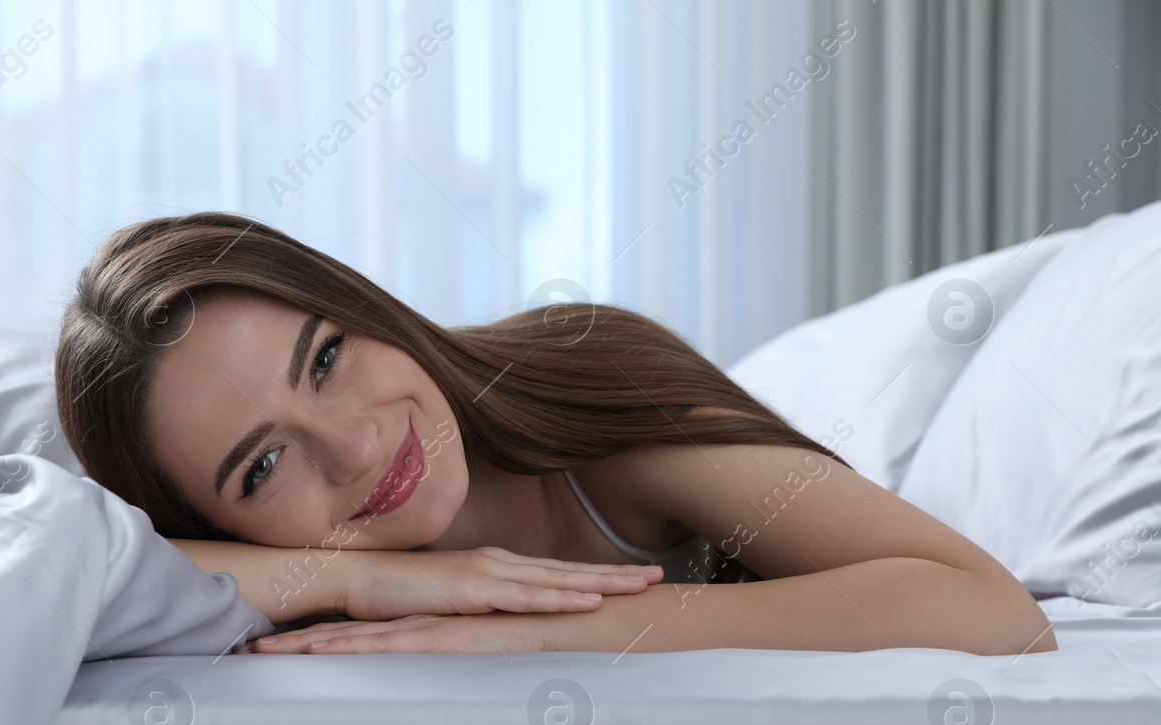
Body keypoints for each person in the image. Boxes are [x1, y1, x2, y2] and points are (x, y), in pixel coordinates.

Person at [53, 212, 1055, 657]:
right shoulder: (283, 568)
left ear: (366, 305)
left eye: (323, 359)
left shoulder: (594, 393)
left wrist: (556, 627)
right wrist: (368, 580)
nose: (356, 449)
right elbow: (67, 579)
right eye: (262, 465)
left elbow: (990, 609)